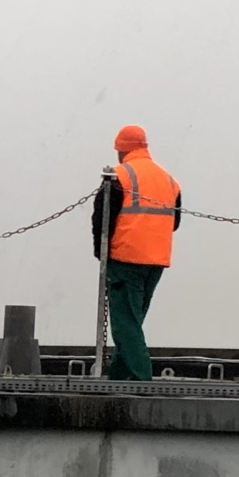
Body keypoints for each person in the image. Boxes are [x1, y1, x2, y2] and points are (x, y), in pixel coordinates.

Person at [91, 125, 181, 380]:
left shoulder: (119, 176)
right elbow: (175, 222)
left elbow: (102, 220)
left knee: (125, 325)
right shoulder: (168, 180)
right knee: (132, 321)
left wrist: (101, 253)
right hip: (156, 261)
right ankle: (119, 379)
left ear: (121, 150)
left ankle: (143, 381)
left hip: (126, 258)